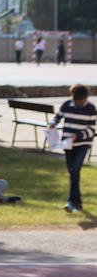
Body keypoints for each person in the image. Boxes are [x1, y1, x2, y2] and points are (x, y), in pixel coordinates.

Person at [50, 83, 95, 212]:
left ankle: (70, 202)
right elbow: (57, 117)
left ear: (86, 97)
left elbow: (92, 130)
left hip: (82, 144)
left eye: (80, 100)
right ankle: (78, 203)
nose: (77, 102)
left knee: (75, 170)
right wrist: (52, 124)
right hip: (67, 144)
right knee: (72, 172)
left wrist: (78, 135)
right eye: (75, 100)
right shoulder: (67, 104)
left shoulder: (91, 109)